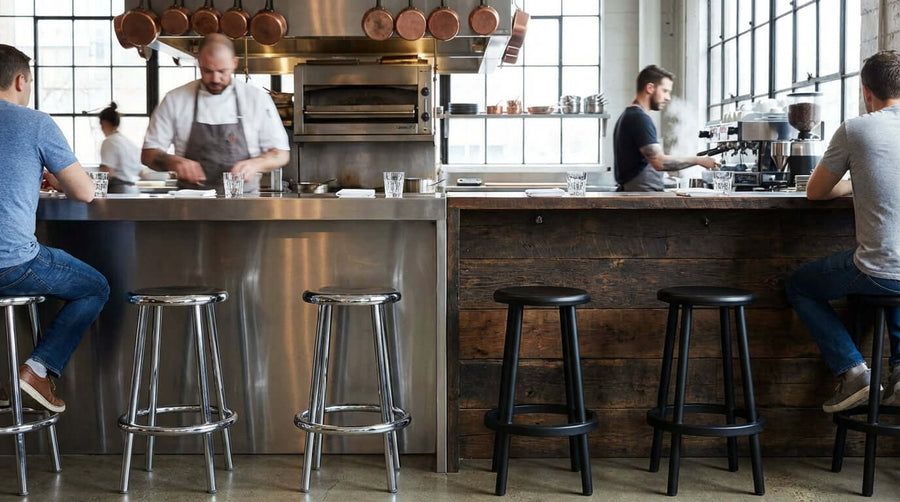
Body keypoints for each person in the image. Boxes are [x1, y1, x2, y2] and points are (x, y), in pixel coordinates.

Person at [785, 50, 900, 413]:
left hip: (879, 270)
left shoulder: (856, 129)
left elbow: (815, 191)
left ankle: (854, 373)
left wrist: (854, 181)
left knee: (799, 285)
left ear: (866, 92)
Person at [0, 44, 109, 413]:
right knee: (95, 287)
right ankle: (36, 370)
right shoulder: (35, 123)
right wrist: (59, 180)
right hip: (12, 265)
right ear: (20, 80)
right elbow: (85, 192)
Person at [142, 34, 290, 193]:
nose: (215, 79)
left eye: (222, 71)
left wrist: (255, 164)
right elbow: (148, 154)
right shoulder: (175, 99)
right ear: (198, 62)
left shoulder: (256, 99)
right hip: (191, 203)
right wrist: (174, 162)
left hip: (244, 202)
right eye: (207, 71)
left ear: (234, 63)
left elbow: (281, 153)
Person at [613, 64, 719, 191]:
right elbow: (660, 162)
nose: (668, 98)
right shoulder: (639, 118)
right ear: (650, 88)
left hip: (642, 195)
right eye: (665, 91)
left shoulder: (629, 115)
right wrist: (699, 160)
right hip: (642, 197)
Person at [99, 102, 143, 194]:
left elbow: (107, 172)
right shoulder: (129, 143)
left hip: (117, 190)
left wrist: (98, 193)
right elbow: (141, 172)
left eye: (101, 125)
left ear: (104, 123)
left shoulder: (109, 141)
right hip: (133, 190)